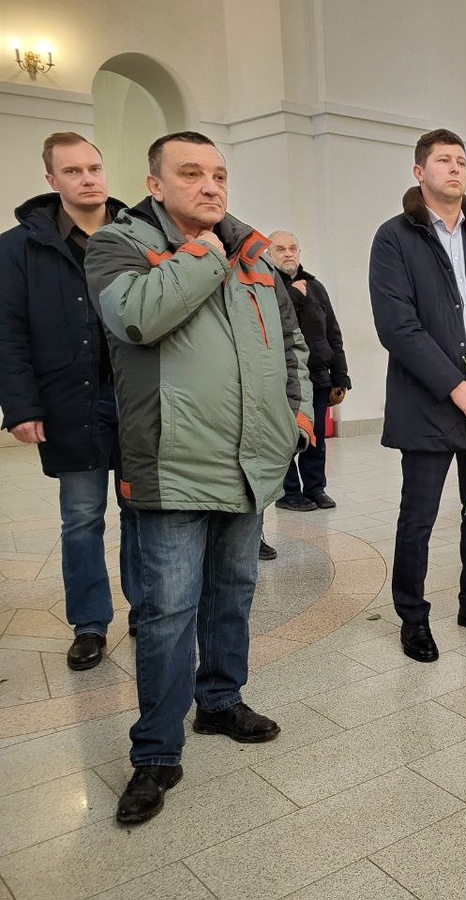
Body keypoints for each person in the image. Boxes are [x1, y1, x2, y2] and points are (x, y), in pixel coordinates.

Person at [87, 131, 314, 824]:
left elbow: (293, 340)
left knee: (233, 593)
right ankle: (155, 751)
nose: (211, 186)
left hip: (249, 460)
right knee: (165, 614)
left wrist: (297, 415)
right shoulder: (120, 245)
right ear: (155, 184)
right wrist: (201, 255)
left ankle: (219, 701)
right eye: (191, 174)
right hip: (174, 463)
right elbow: (135, 317)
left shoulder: (253, 254)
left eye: (218, 174)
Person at [369, 128, 466, 664]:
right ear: (420, 172)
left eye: (461, 160)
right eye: (443, 161)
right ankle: (412, 616)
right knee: (420, 514)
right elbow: (397, 325)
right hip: (430, 400)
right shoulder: (395, 237)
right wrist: (455, 385)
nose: (455, 169)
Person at [0, 132, 143, 670]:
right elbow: (8, 332)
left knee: (139, 509)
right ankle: (89, 624)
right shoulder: (18, 247)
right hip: (68, 402)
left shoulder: (137, 236)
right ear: (51, 181)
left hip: (136, 402)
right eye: (74, 171)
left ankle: (146, 608)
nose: (88, 179)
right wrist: (20, 405)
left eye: (94, 168)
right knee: (82, 517)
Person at [267, 230, 352, 514]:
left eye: (293, 248)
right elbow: (269, 324)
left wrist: (341, 377)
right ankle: (289, 492)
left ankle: (316, 489)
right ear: (269, 254)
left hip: (316, 377)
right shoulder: (265, 287)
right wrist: (292, 295)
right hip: (282, 379)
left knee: (315, 436)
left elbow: (333, 333)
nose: (288, 253)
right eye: (280, 249)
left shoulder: (315, 286)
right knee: (288, 437)